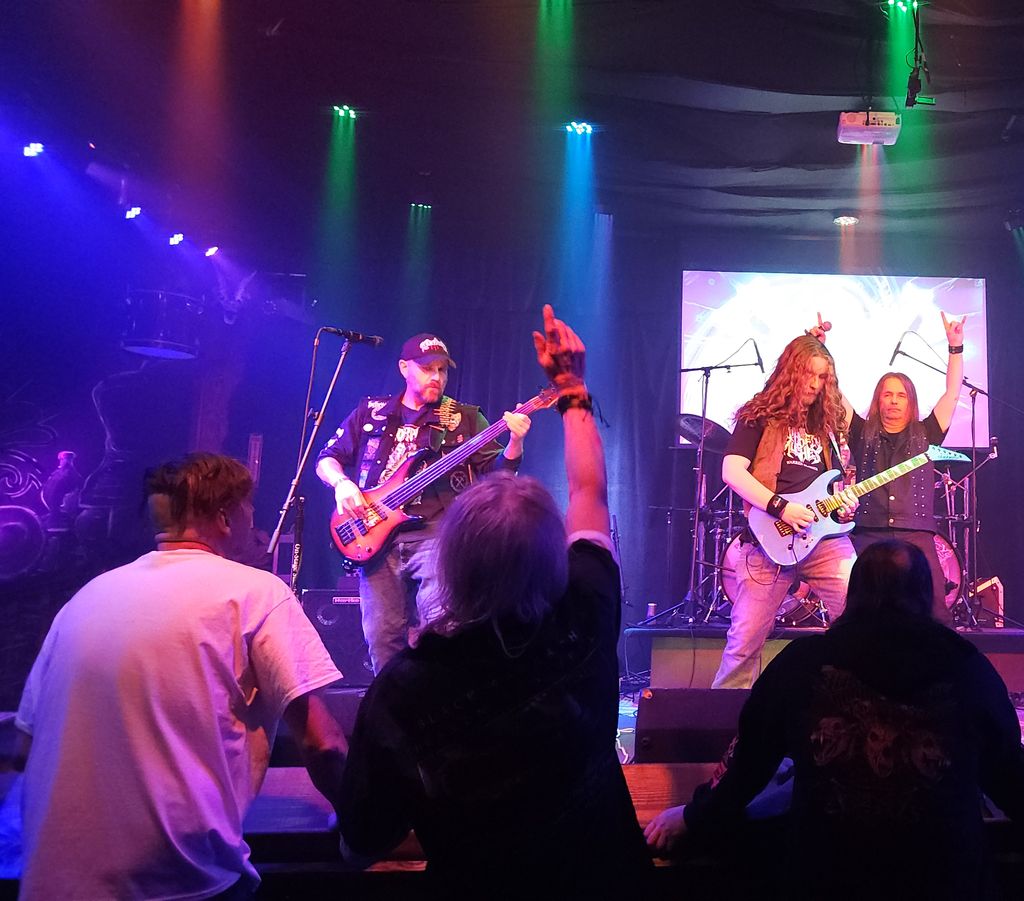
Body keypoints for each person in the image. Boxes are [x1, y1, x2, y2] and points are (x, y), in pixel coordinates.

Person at [337, 306, 651, 895]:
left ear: (447, 566)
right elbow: (589, 492)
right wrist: (573, 388)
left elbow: (359, 845)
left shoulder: (404, 690)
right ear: (553, 558)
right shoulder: (587, 615)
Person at [646, 539, 1024, 899]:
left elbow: (750, 759)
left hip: (825, 875)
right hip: (942, 877)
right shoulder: (964, 665)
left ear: (853, 594)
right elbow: (1004, 762)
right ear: (925, 594)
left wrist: (694, 816)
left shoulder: (802, 663)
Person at [16, 453, 348, 901]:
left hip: (49, 882)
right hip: (177, 883)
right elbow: (323, 743)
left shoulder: (85, 597)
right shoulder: (256, 592)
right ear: (227, 517)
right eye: (250, 507)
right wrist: (363, 827)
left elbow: (25, 746)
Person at [316, 332, 532, 675]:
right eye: (428, 368)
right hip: (374, 537)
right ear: (404, 368)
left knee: (441, 627)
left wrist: (515, 441)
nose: (437, 377)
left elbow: (500, 476)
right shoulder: (371, 412)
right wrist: (341, 483)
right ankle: (392, 703)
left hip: (437, 536)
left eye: (442, 370)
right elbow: (327, 458)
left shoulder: (463, 417)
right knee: (381, 637)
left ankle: (439, 700)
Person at [712, 331, 859, 689]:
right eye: (808, 373)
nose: (814, 384)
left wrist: (842, 507)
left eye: (821, 377)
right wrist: (781, 507)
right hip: (768, 540)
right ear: (791, 371)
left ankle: (858, 706)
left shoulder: (826, 425)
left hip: (822, 541)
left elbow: (832, 484)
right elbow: (731, 471)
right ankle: (724, 718)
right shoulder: (759, 415)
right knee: (744, 643)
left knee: (862, 615)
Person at [843, 312, 968, 619]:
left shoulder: (928, 432)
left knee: (935, 613)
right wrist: (819, 347)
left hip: (917, 533)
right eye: (887, 394)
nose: (894, 400)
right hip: (868, 532)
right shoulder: (860, 432)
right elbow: (835, 395)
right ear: (878, 400)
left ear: (911, 401)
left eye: (901, 395)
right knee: (862, 613)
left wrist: (955, 348)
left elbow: (952, 394)